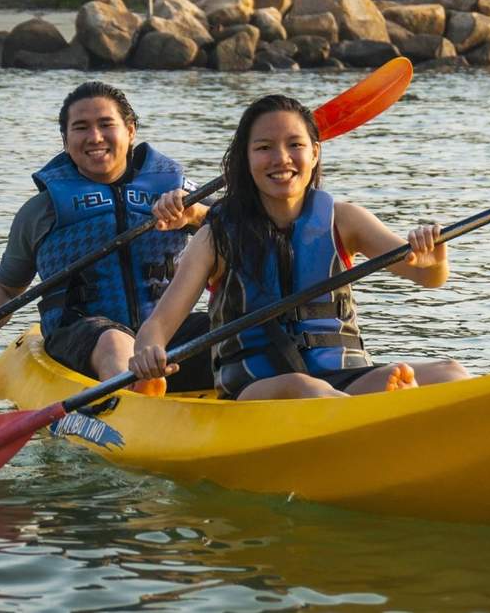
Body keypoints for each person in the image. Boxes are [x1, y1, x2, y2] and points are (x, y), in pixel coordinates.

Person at [128, 94, 470, 400]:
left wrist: (434, 257)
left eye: (295, 145)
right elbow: (158, 326)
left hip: (340, 375)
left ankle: (378, 406)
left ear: (315, 152)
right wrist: (149, 352)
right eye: (264, 148)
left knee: (450, 373)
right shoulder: (215, 236)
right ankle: (377, 413)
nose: (281, 158)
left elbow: (429, 278)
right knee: (305, 388)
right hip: (257, 387)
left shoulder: (345, 220)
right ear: (246, 160)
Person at [0, 81, 214, 394]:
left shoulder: (179, 193)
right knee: (115, 342)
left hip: (164, 333)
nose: (95, 137)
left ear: (130, 131)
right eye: (81, 128)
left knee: (237, 327)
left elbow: (242, 227)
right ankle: (137, 401)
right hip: (82, 334)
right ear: (65, 141)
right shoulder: (41, 211)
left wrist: (196, 214)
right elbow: (7, 287)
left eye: (106, 124)